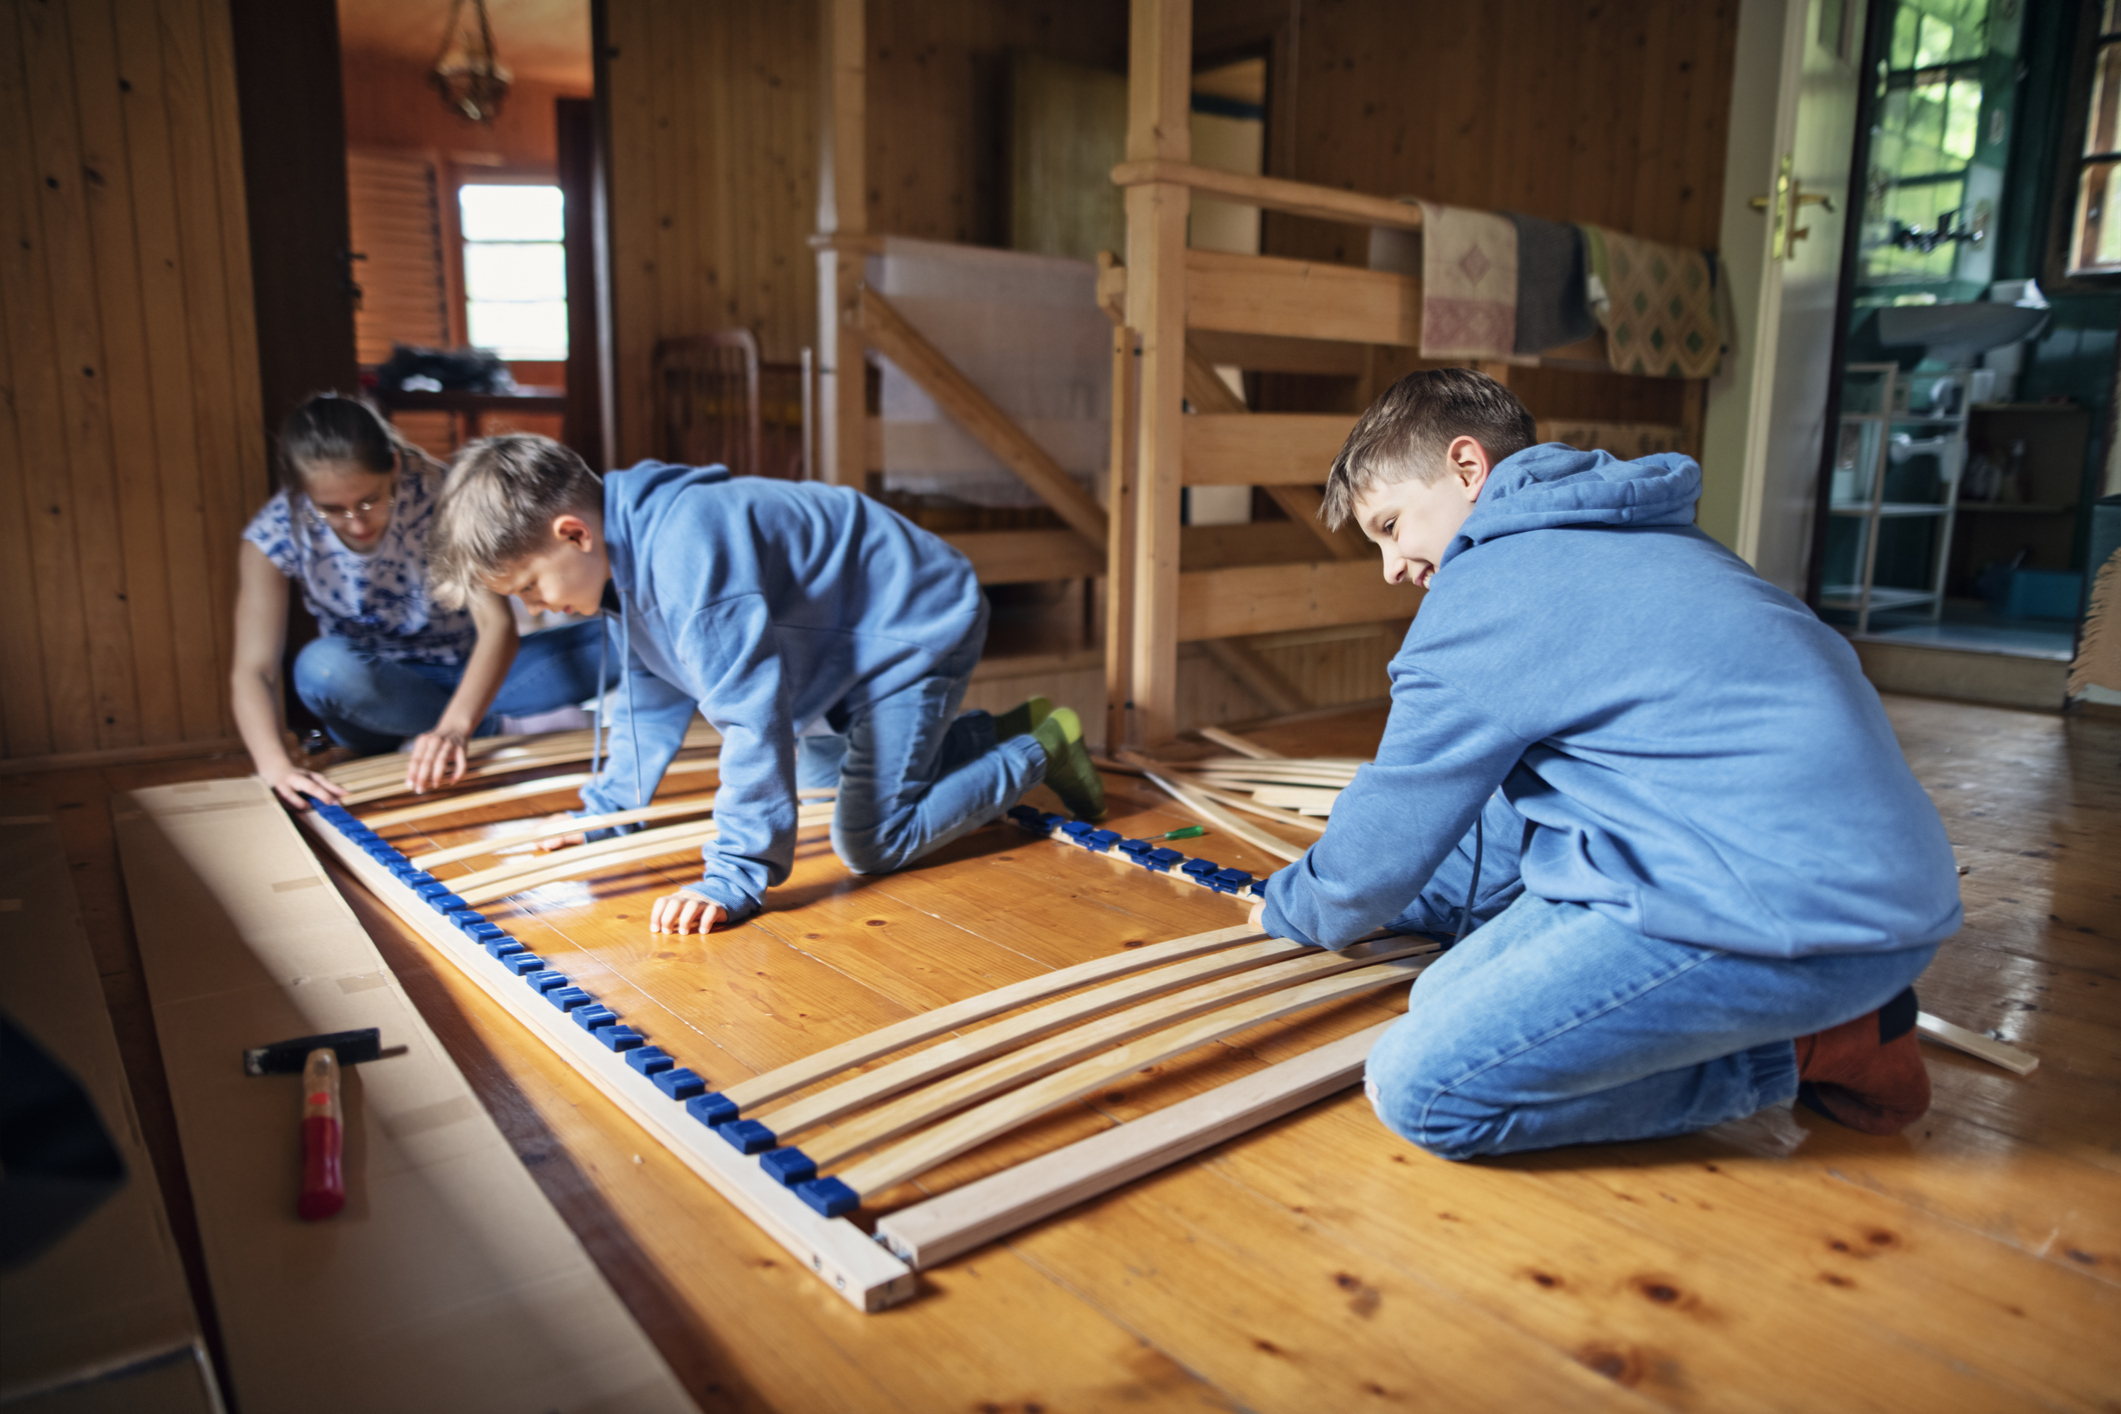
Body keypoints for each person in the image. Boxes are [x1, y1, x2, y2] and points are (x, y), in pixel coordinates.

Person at [1251, 368, 1962, 1159]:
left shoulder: (1487, 591)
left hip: (1794, 911)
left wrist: (1290, 908)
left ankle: (1814, 1046)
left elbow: (1382, 841)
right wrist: (1412, 907)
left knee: (1420, 1089)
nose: (1390, 566)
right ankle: (1847, 1011)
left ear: (1465, 467)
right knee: (1439, 993)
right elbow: (1504, 824)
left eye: (1389, 526)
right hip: (1864, 884)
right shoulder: (1637, 537)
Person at [426, 435, 1106, 934]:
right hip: (844, 643)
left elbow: (753, 720)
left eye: (529, 588)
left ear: (572, 534)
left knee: (871, 839)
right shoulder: (618, 554)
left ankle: (1046, 743)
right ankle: (1007, 727)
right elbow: (650, 688)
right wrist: (606, 815)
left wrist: (734, 876)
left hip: (916, 627)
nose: (537, 609)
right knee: (812, 785)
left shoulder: (684, 552)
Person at [230, 395, 614, 807]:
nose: (356, 522)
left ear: (393, 465)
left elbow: (498, 628)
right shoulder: (274, 533)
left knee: (624, 637)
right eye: (332, 510)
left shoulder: (441, 492)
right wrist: (275, 767)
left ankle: (463, 730)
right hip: (377, 696)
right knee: (322, 668)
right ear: (302, 491)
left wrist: (455, 727)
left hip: (473, 678)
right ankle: (498, 730)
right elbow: (254, 670)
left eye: (368, 501)